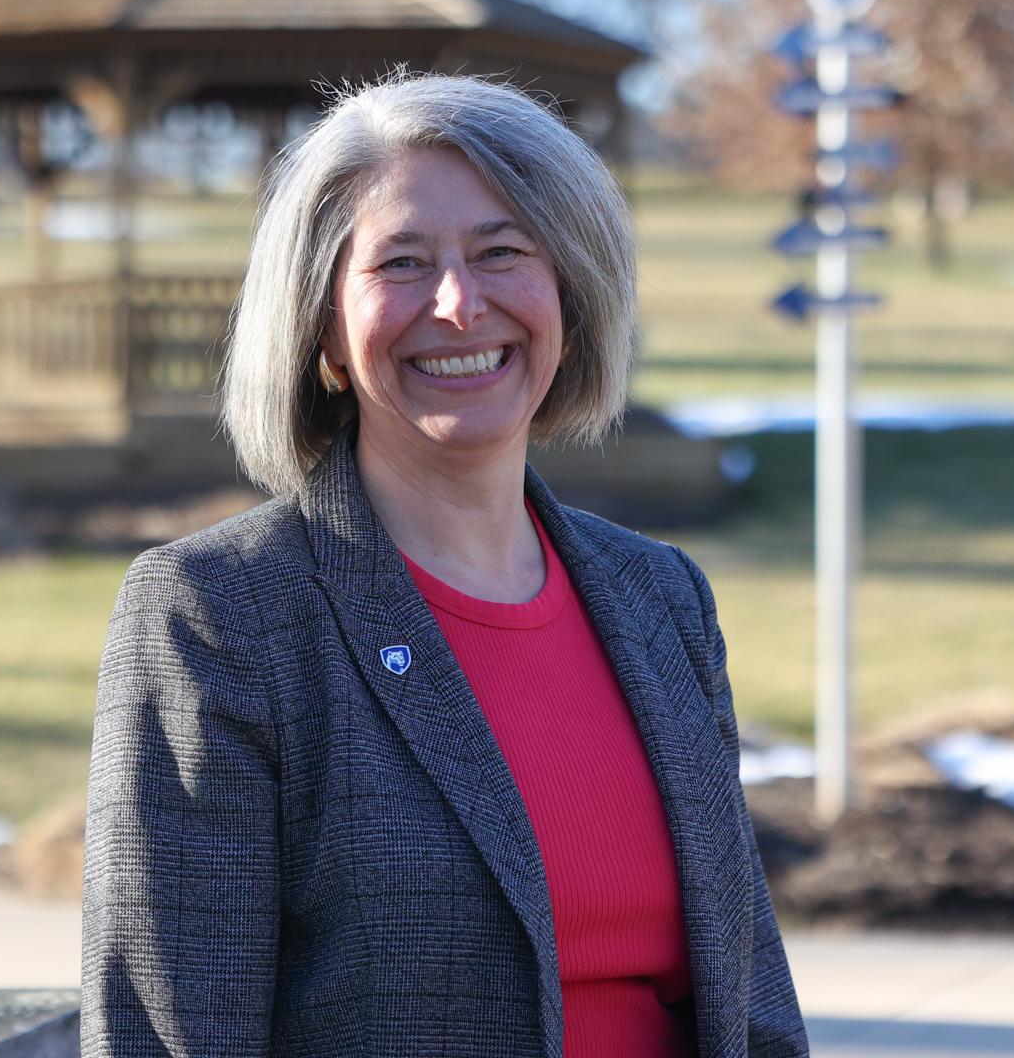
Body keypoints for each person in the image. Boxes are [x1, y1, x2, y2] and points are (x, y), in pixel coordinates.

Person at [82, 72, 807, 1058]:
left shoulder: (660, 598)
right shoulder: (220, 617)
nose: (460, 305)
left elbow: (751, 1003)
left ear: (571, 293)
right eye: (402, 264)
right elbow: (169, 1038)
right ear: (323, 328)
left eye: (502, 252)